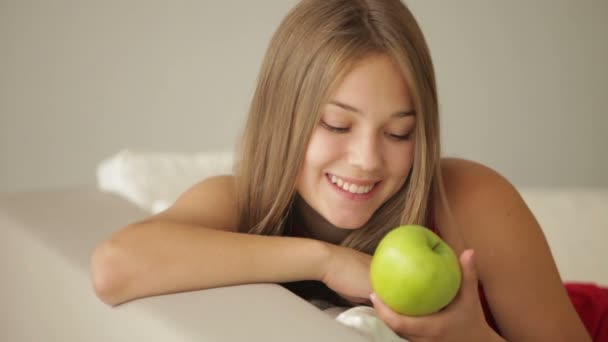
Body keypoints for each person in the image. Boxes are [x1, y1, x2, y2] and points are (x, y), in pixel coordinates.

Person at [91, 0, 603, 340]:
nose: (367, 160)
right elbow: (116, 266)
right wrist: (325, 260)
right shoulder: (236, 201)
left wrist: (470, 336)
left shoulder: (470, 199)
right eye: (337, 125)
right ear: (281, 119)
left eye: (399, 133)